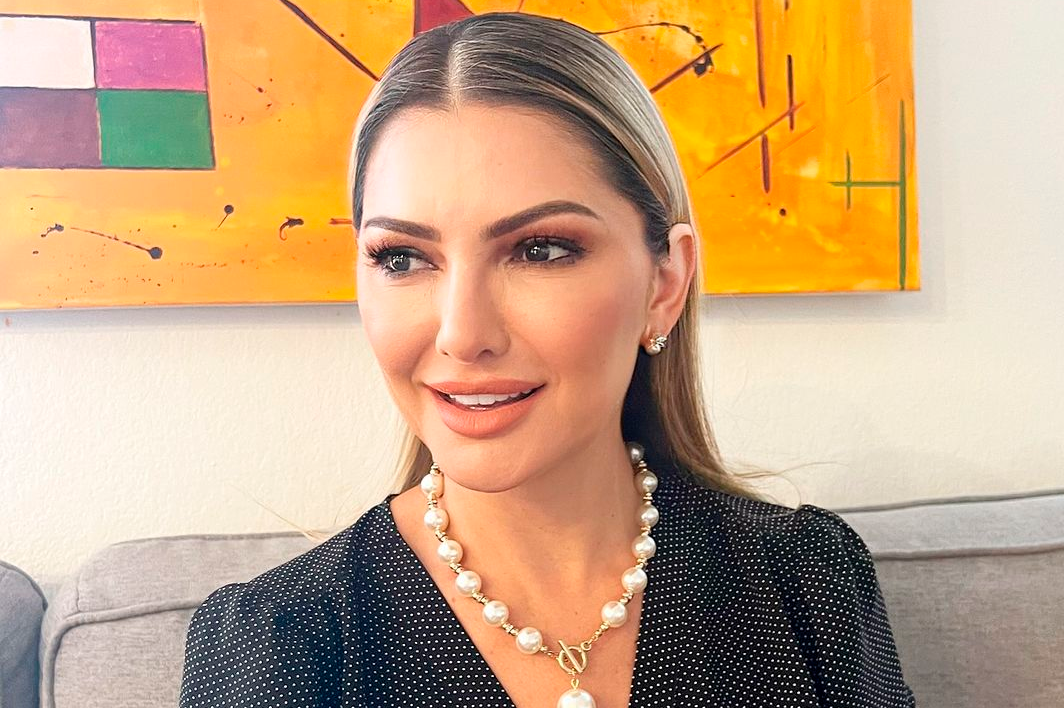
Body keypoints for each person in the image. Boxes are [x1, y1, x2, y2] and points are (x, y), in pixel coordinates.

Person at [180, 12, 916, 708]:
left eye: (540, 250)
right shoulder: (270, 645)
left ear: (664, 283)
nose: (462, 334)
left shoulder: (806, 580)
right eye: (402, 257)